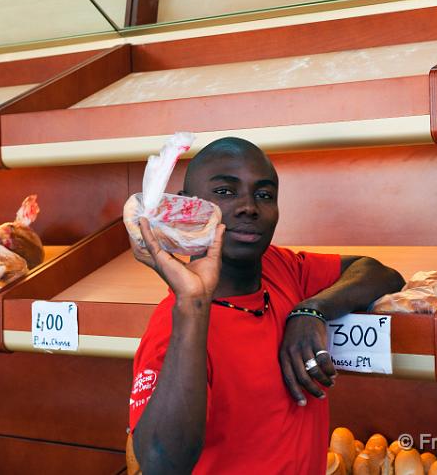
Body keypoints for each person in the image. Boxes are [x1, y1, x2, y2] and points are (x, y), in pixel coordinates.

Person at [128, 137, 404, 474]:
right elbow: (160, 464)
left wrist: (311, 310)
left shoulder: (280, 268)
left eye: (264, 195)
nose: (249, 207)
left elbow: (379, 273)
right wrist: (194, 304)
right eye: (226, 192)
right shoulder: (174, 328)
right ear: (188, 208)